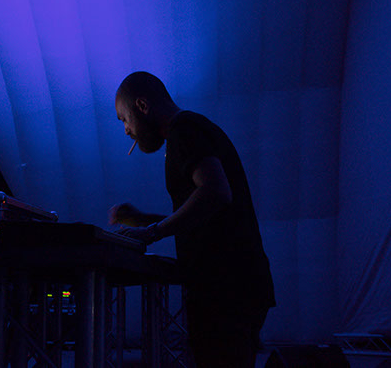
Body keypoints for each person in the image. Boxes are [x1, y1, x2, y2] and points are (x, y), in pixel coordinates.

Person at [110, 71, 275, 368]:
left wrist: (152, 232)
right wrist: (143, 220)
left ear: (142, 106)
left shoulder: (183, 131)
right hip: (238, 283)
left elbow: (216, 192)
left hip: (225, 287)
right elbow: (208, 215)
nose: (126, 131)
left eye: (125, 119)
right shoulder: (195, 128)